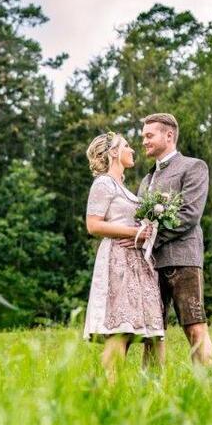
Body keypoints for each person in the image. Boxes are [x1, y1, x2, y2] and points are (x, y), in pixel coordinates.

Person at [118, 113, 212, 366]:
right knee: (152, 331)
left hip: (183, 260)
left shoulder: (194, 167)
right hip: (149, 265)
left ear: (169, 135)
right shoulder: (146, 180)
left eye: (149, 136)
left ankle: (210, 385)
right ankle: (151, 388)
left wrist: (148, 238)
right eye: (143, 137)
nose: (144, 142)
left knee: (193, 324)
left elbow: (190, 214)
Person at [83, 132, 163, 381]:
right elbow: (93, 225)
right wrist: (133, 231)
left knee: (149, 330)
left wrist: (146, 231)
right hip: (118, 260)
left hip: (138, 261)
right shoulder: (103, 184)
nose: (132, 149)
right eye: (126, 145)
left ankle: (154, 389)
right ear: (113, 153)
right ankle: (109, 390)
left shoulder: (123, 188)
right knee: (120, 327)